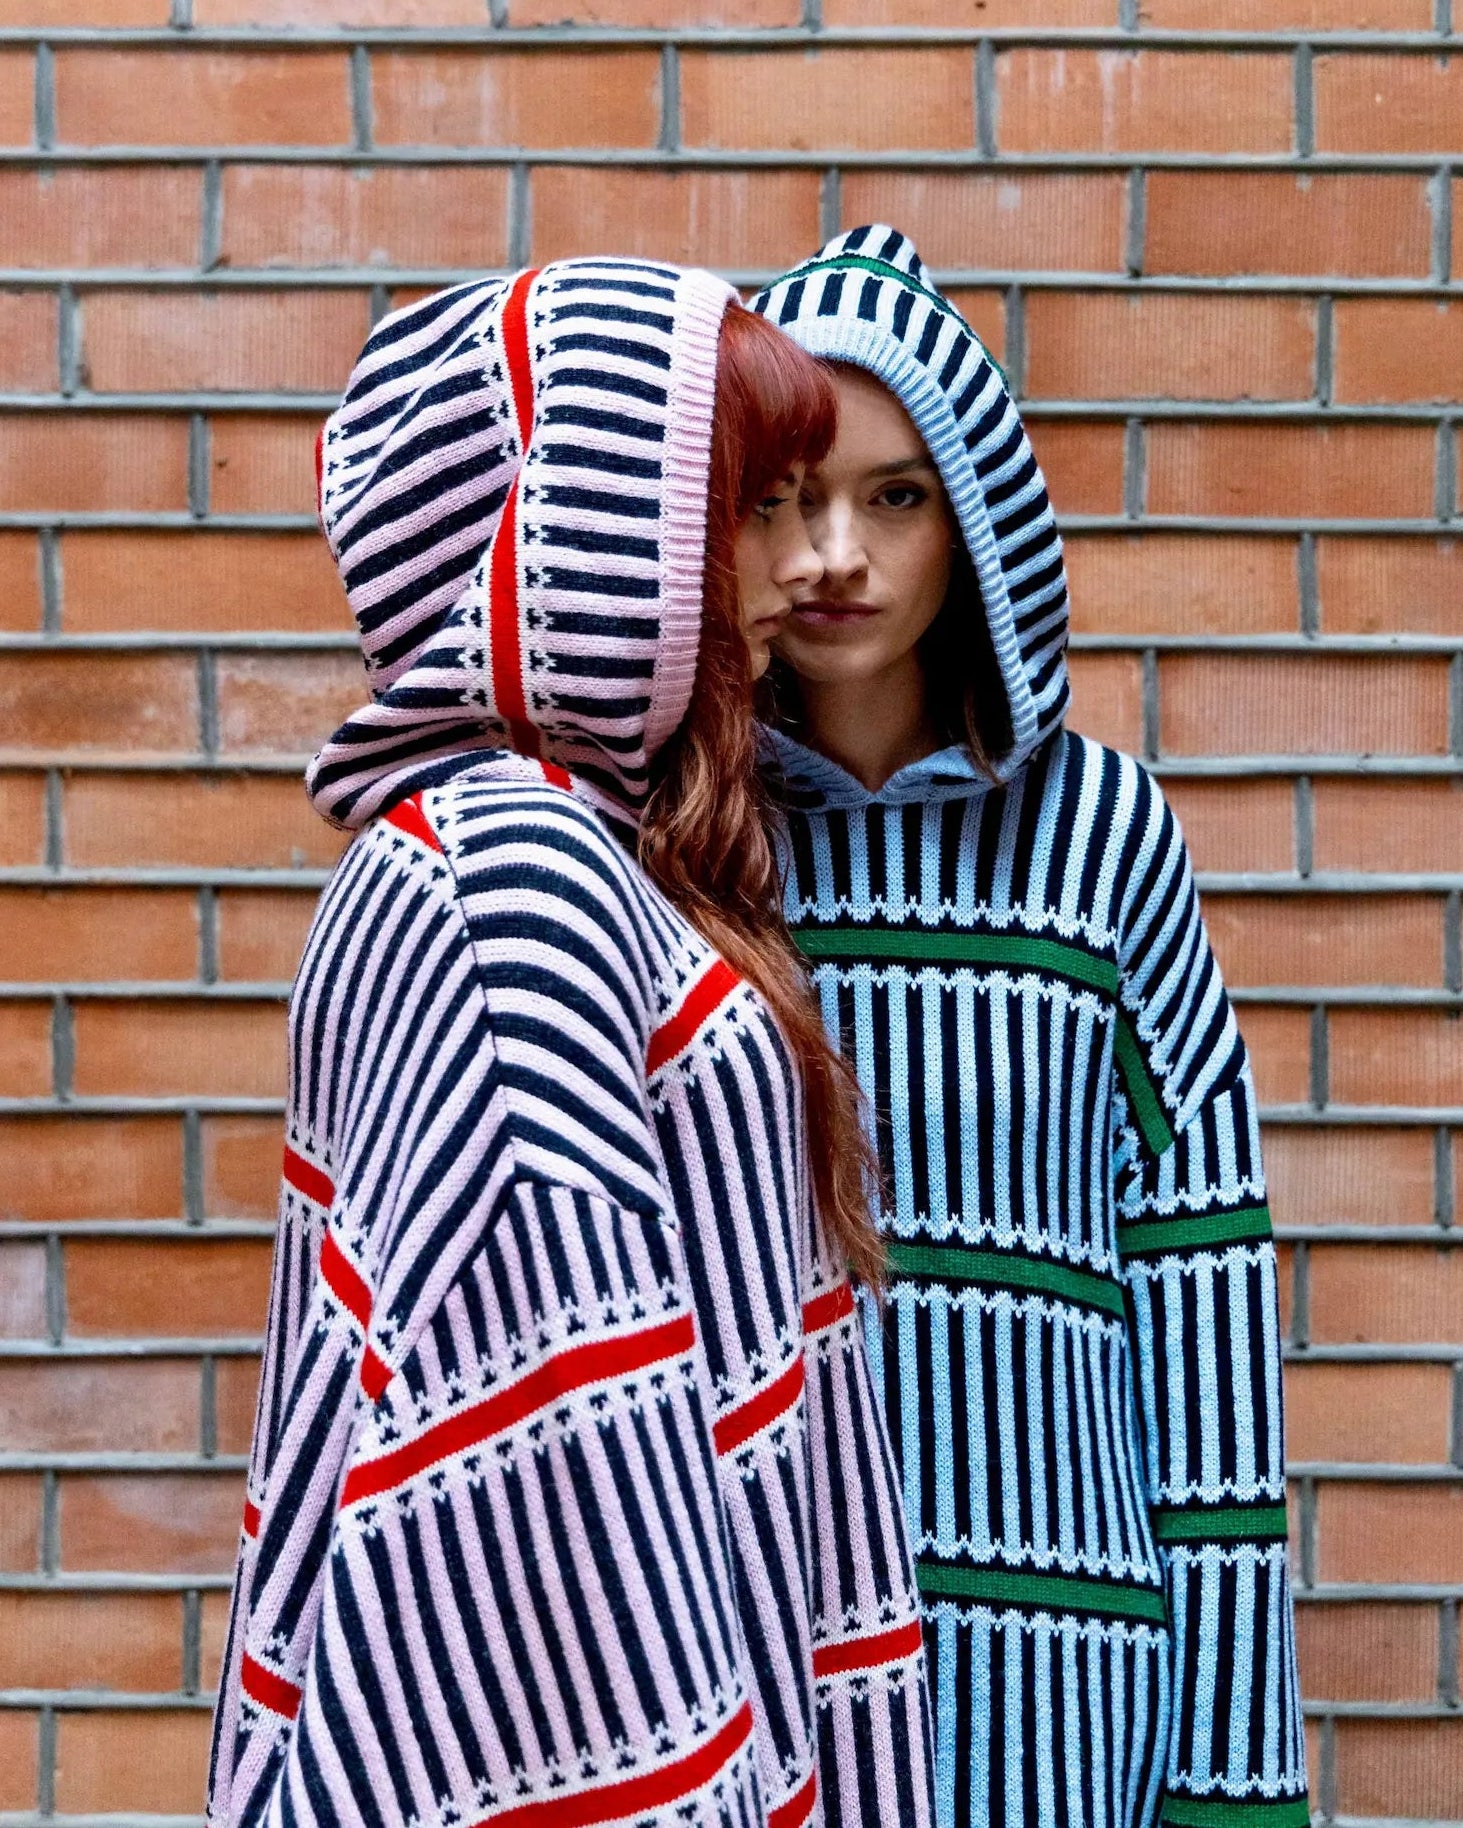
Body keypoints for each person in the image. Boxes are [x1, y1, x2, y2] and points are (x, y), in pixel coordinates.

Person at [208, 259, 936, 1828]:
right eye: (745, 503)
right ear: (588, 543)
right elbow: (552, 1536)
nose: (799, 564)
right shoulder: (506, 887)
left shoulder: (576, 853)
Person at [752, 228, 1308, 1828]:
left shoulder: (1105, 836)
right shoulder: (683, 845)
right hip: (765, 1662)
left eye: (895, 495)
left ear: (977, 518)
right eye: (788, 497)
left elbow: (1203, 1302)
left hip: (1068, 1689)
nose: (835, 552)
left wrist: (1235, 1777)